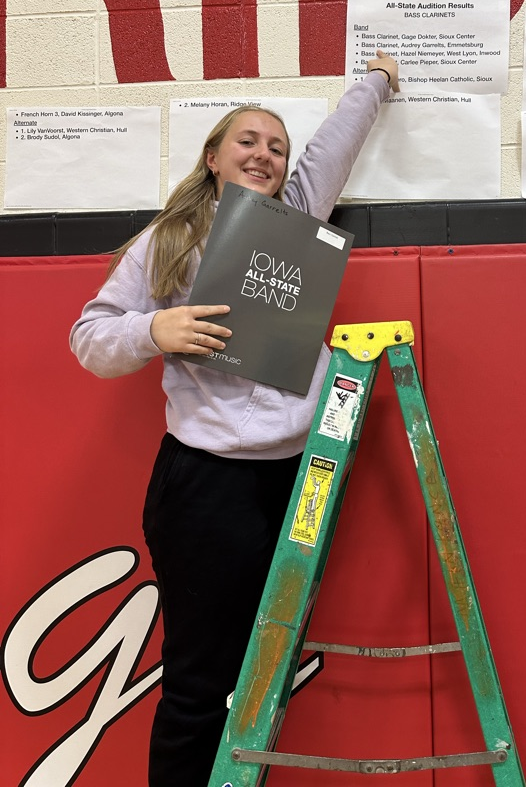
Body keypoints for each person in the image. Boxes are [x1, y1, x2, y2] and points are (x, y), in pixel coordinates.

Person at [70, 51, 399, 787]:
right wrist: (156, 332)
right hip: (205, 489)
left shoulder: (295, 222)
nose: (266, 154)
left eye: (277, 147)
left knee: (266, 667)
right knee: (198, 681)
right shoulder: (170, 240)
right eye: (247, 140)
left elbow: (333, 147)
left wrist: (376, 81)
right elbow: (90, 337)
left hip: (295, 482)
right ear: (213, 157)